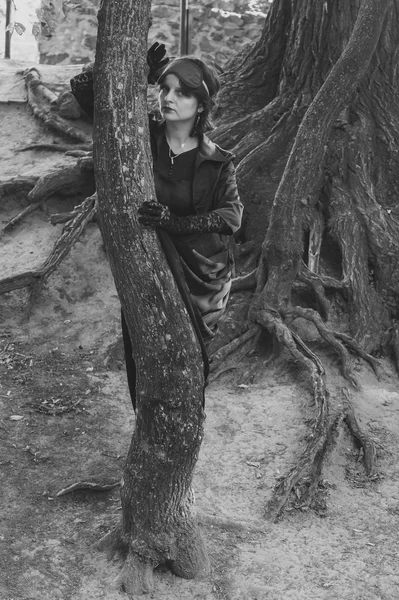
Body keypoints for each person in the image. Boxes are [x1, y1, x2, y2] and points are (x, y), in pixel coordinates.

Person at [70, 44, 243, 411]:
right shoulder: (141, 135)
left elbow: (232, 217)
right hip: (147, 264)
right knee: (140, 349)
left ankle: (184, 422)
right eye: (164, 88)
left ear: (201, 103)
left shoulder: (218, 161)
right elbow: (90, 98)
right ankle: (144, 422)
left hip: (202, 275)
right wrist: (135, 73)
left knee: (188, 359)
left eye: (181, 92)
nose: (168, 97)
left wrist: (174, 223)